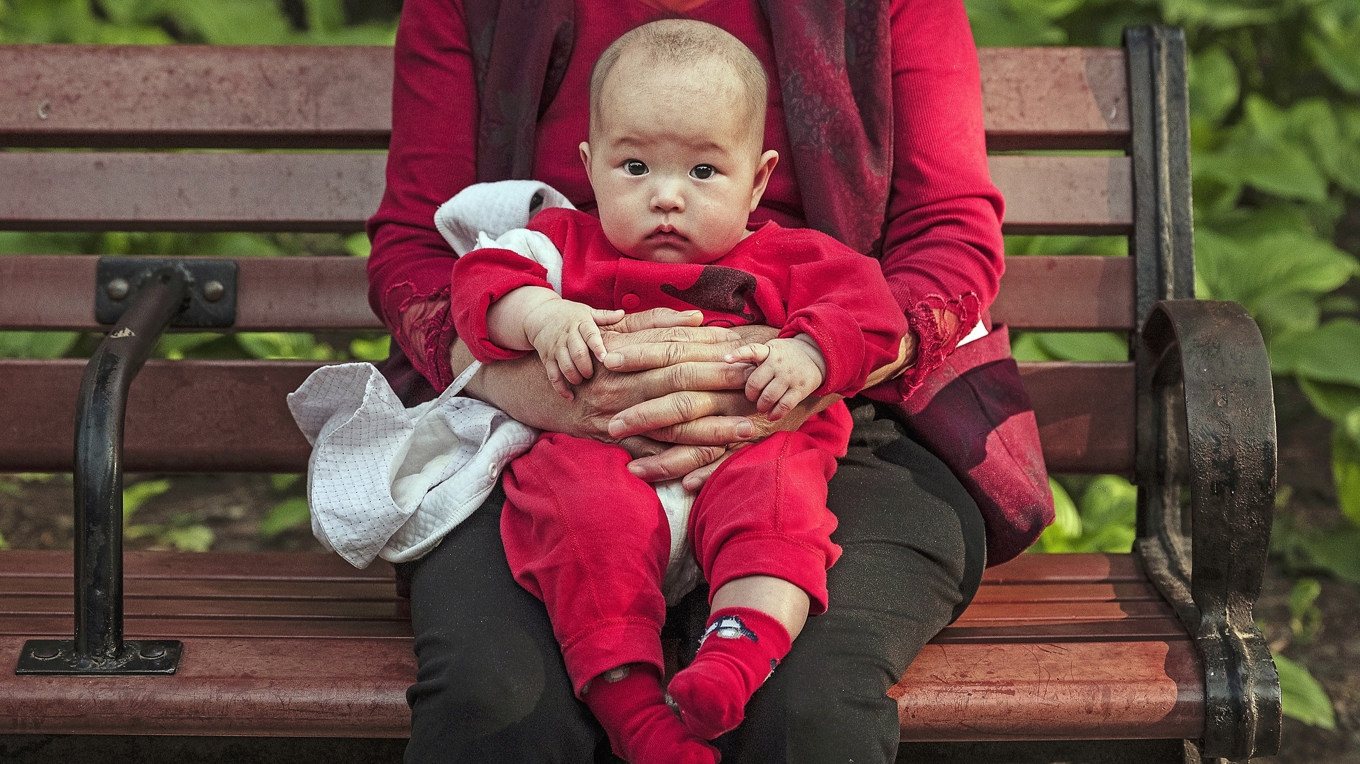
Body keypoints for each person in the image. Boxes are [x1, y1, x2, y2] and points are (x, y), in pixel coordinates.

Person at [367, 1, 1005, 761]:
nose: (668, 196)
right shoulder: (550, 229)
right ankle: (635, 705)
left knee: (808, 706)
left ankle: (737, 647)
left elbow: (950, 244)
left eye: (702, 171)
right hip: (535, 423)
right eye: (635, 167)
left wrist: (800, 366)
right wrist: (543, 381)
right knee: (498, 695)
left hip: (832, 418)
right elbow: (425, 252)